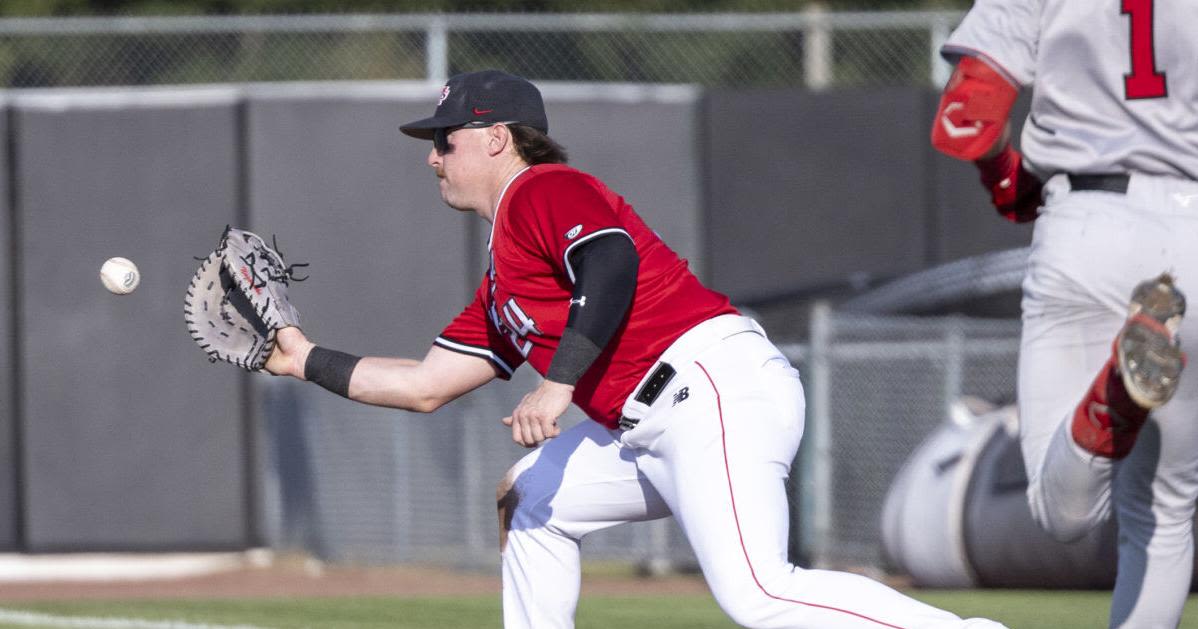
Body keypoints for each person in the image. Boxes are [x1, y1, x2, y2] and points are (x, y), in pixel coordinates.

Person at [266, 69, 1003, 629]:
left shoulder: (541, 188)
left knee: (758, 591)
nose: (432, 157)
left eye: (444, 139)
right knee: (530, 500)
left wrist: (557, 385)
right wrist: (304, 357)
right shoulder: (504, 280)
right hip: (654, 422)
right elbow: (425, 383)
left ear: (497, 138)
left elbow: (610, 262)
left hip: (710, 384)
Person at [931, 1, 1198, 626]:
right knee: (1164, 515)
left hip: (1085, 222)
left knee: (1062, 517)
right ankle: (1123, 392)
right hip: (1193, 230)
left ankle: (1112, 403)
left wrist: (1005, 177)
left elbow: (966, 116)